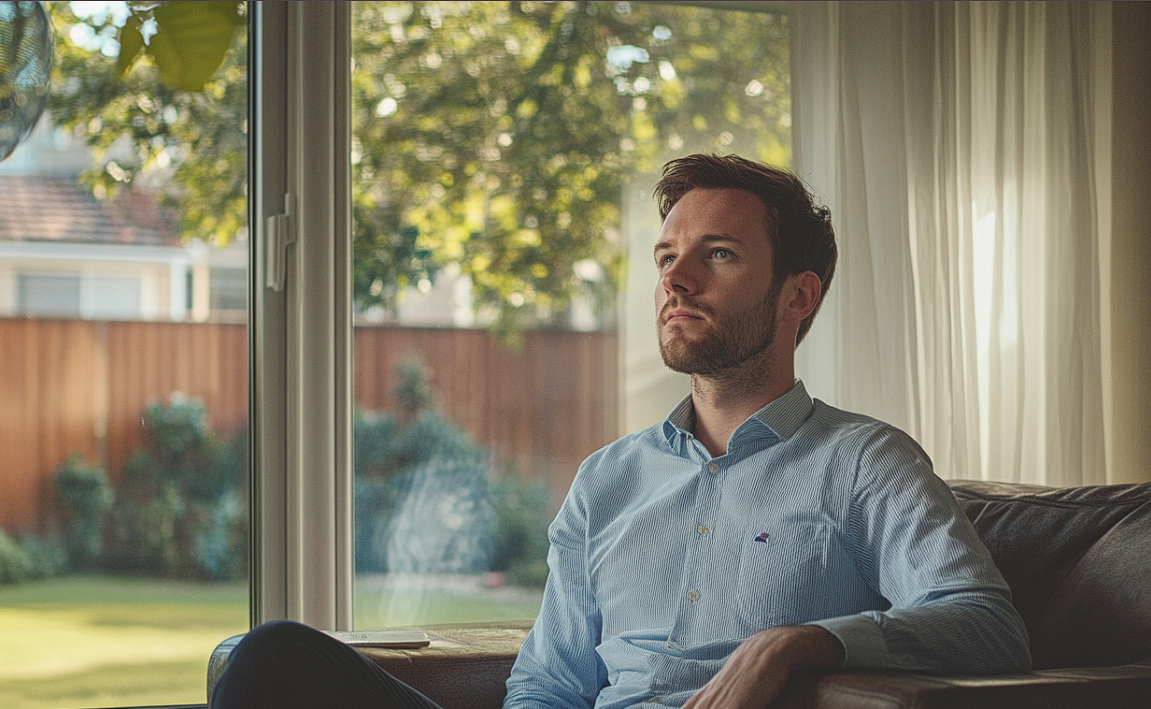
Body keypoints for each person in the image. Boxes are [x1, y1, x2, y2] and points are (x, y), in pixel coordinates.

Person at [211, 154, 1030, 709]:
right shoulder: (609, 477)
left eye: (717, 255)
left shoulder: (863, 460)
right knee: (270, 657)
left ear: (797, 297)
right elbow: (549, 681)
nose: (675, 277)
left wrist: (796, 643)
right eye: (667, 255)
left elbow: (988, 625)